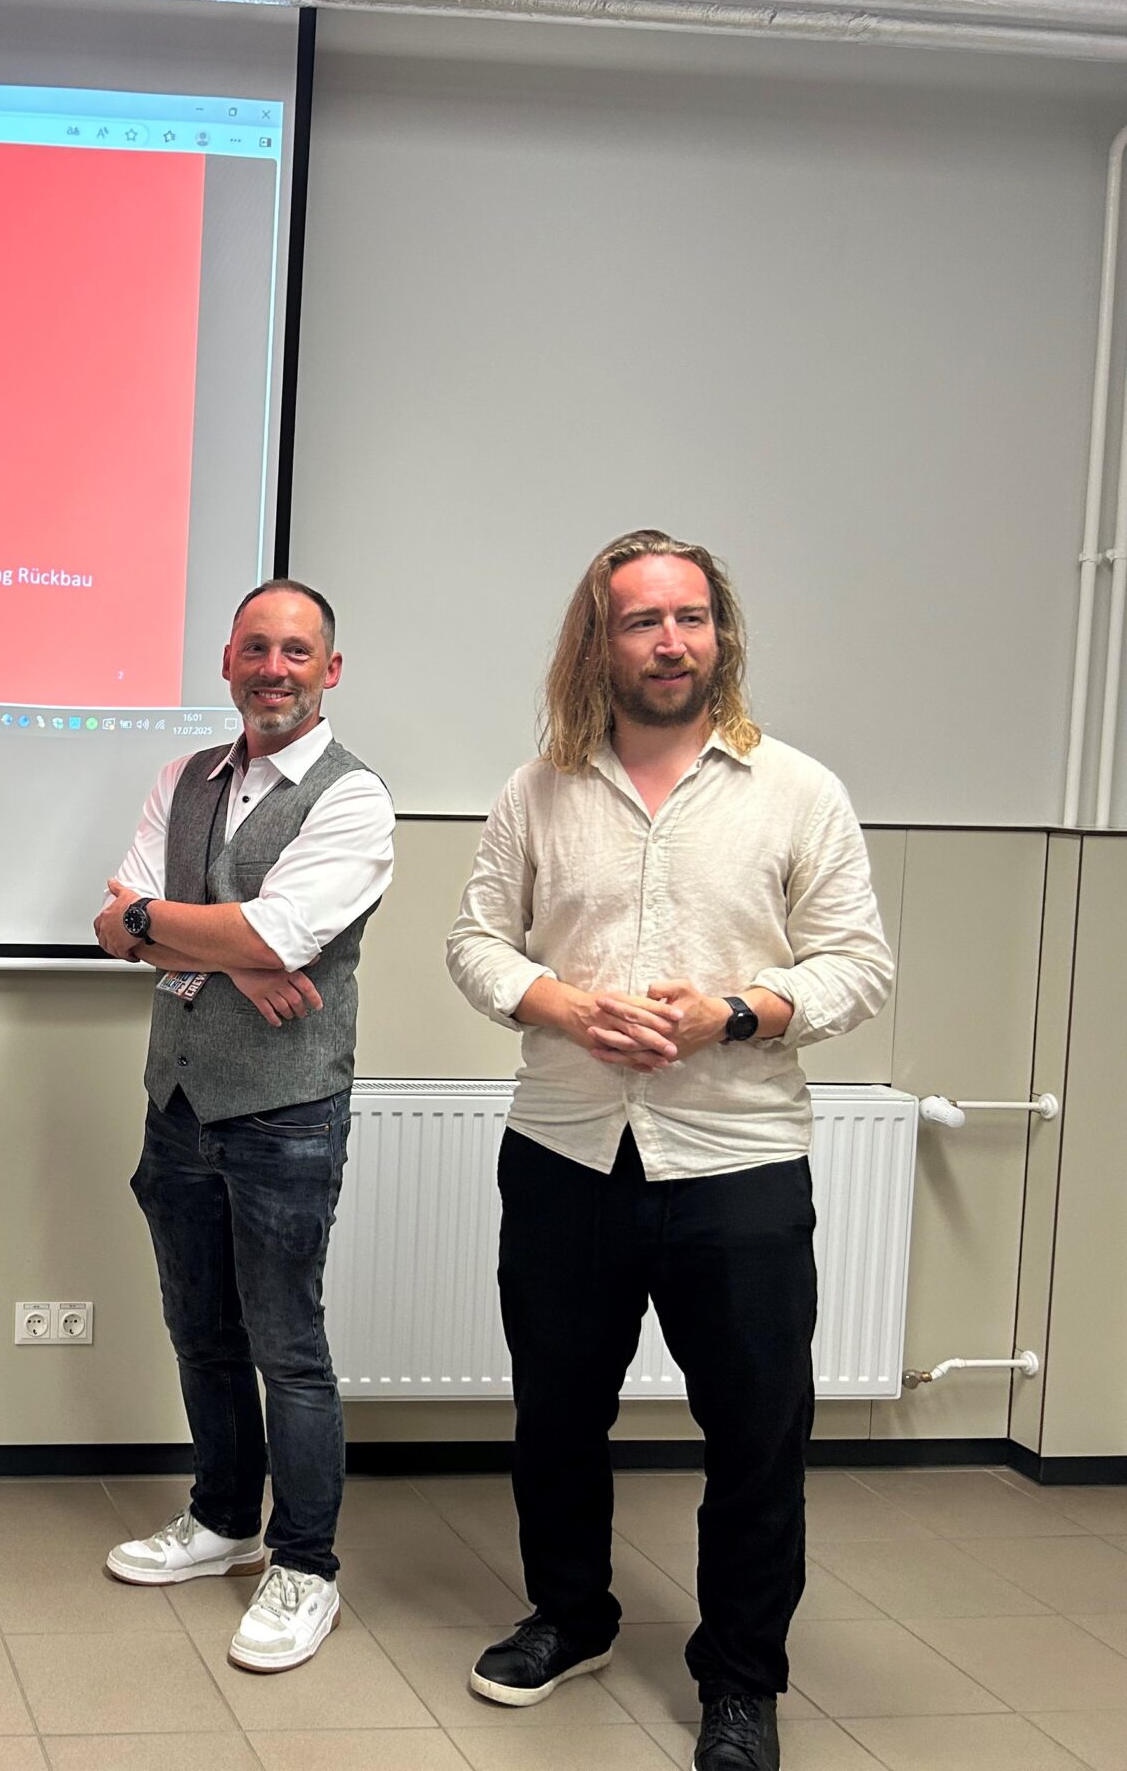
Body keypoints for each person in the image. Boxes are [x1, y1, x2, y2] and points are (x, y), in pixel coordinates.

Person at [446, 529, 894, 1771]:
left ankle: (740, 1681)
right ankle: (571, 1616)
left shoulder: (797, 792)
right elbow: (475, 943)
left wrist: (731, 1013)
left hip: (738, 1161)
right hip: (566, 1154)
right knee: (555, 1414)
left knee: (755, 1436)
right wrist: (560, 1004)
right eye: (641, 620)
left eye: (689, 618)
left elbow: (858, 966)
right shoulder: (535, 792)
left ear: (720, 635)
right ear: (597, 641)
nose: (669, 641)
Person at [92, 578, 395, 1674]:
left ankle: (305, 1564)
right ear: (227, 662)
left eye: (296, 651)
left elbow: (279, 934)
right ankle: (223, 1520)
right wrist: (228, 948)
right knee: (200, 1330)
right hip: (176, 1100)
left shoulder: (354, 799)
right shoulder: (181, 778)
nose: (274, 668)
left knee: (288, 1348)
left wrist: (170, 928)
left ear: (329, 670)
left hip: (285, 1113)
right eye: (255, 648)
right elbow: (108, 923)